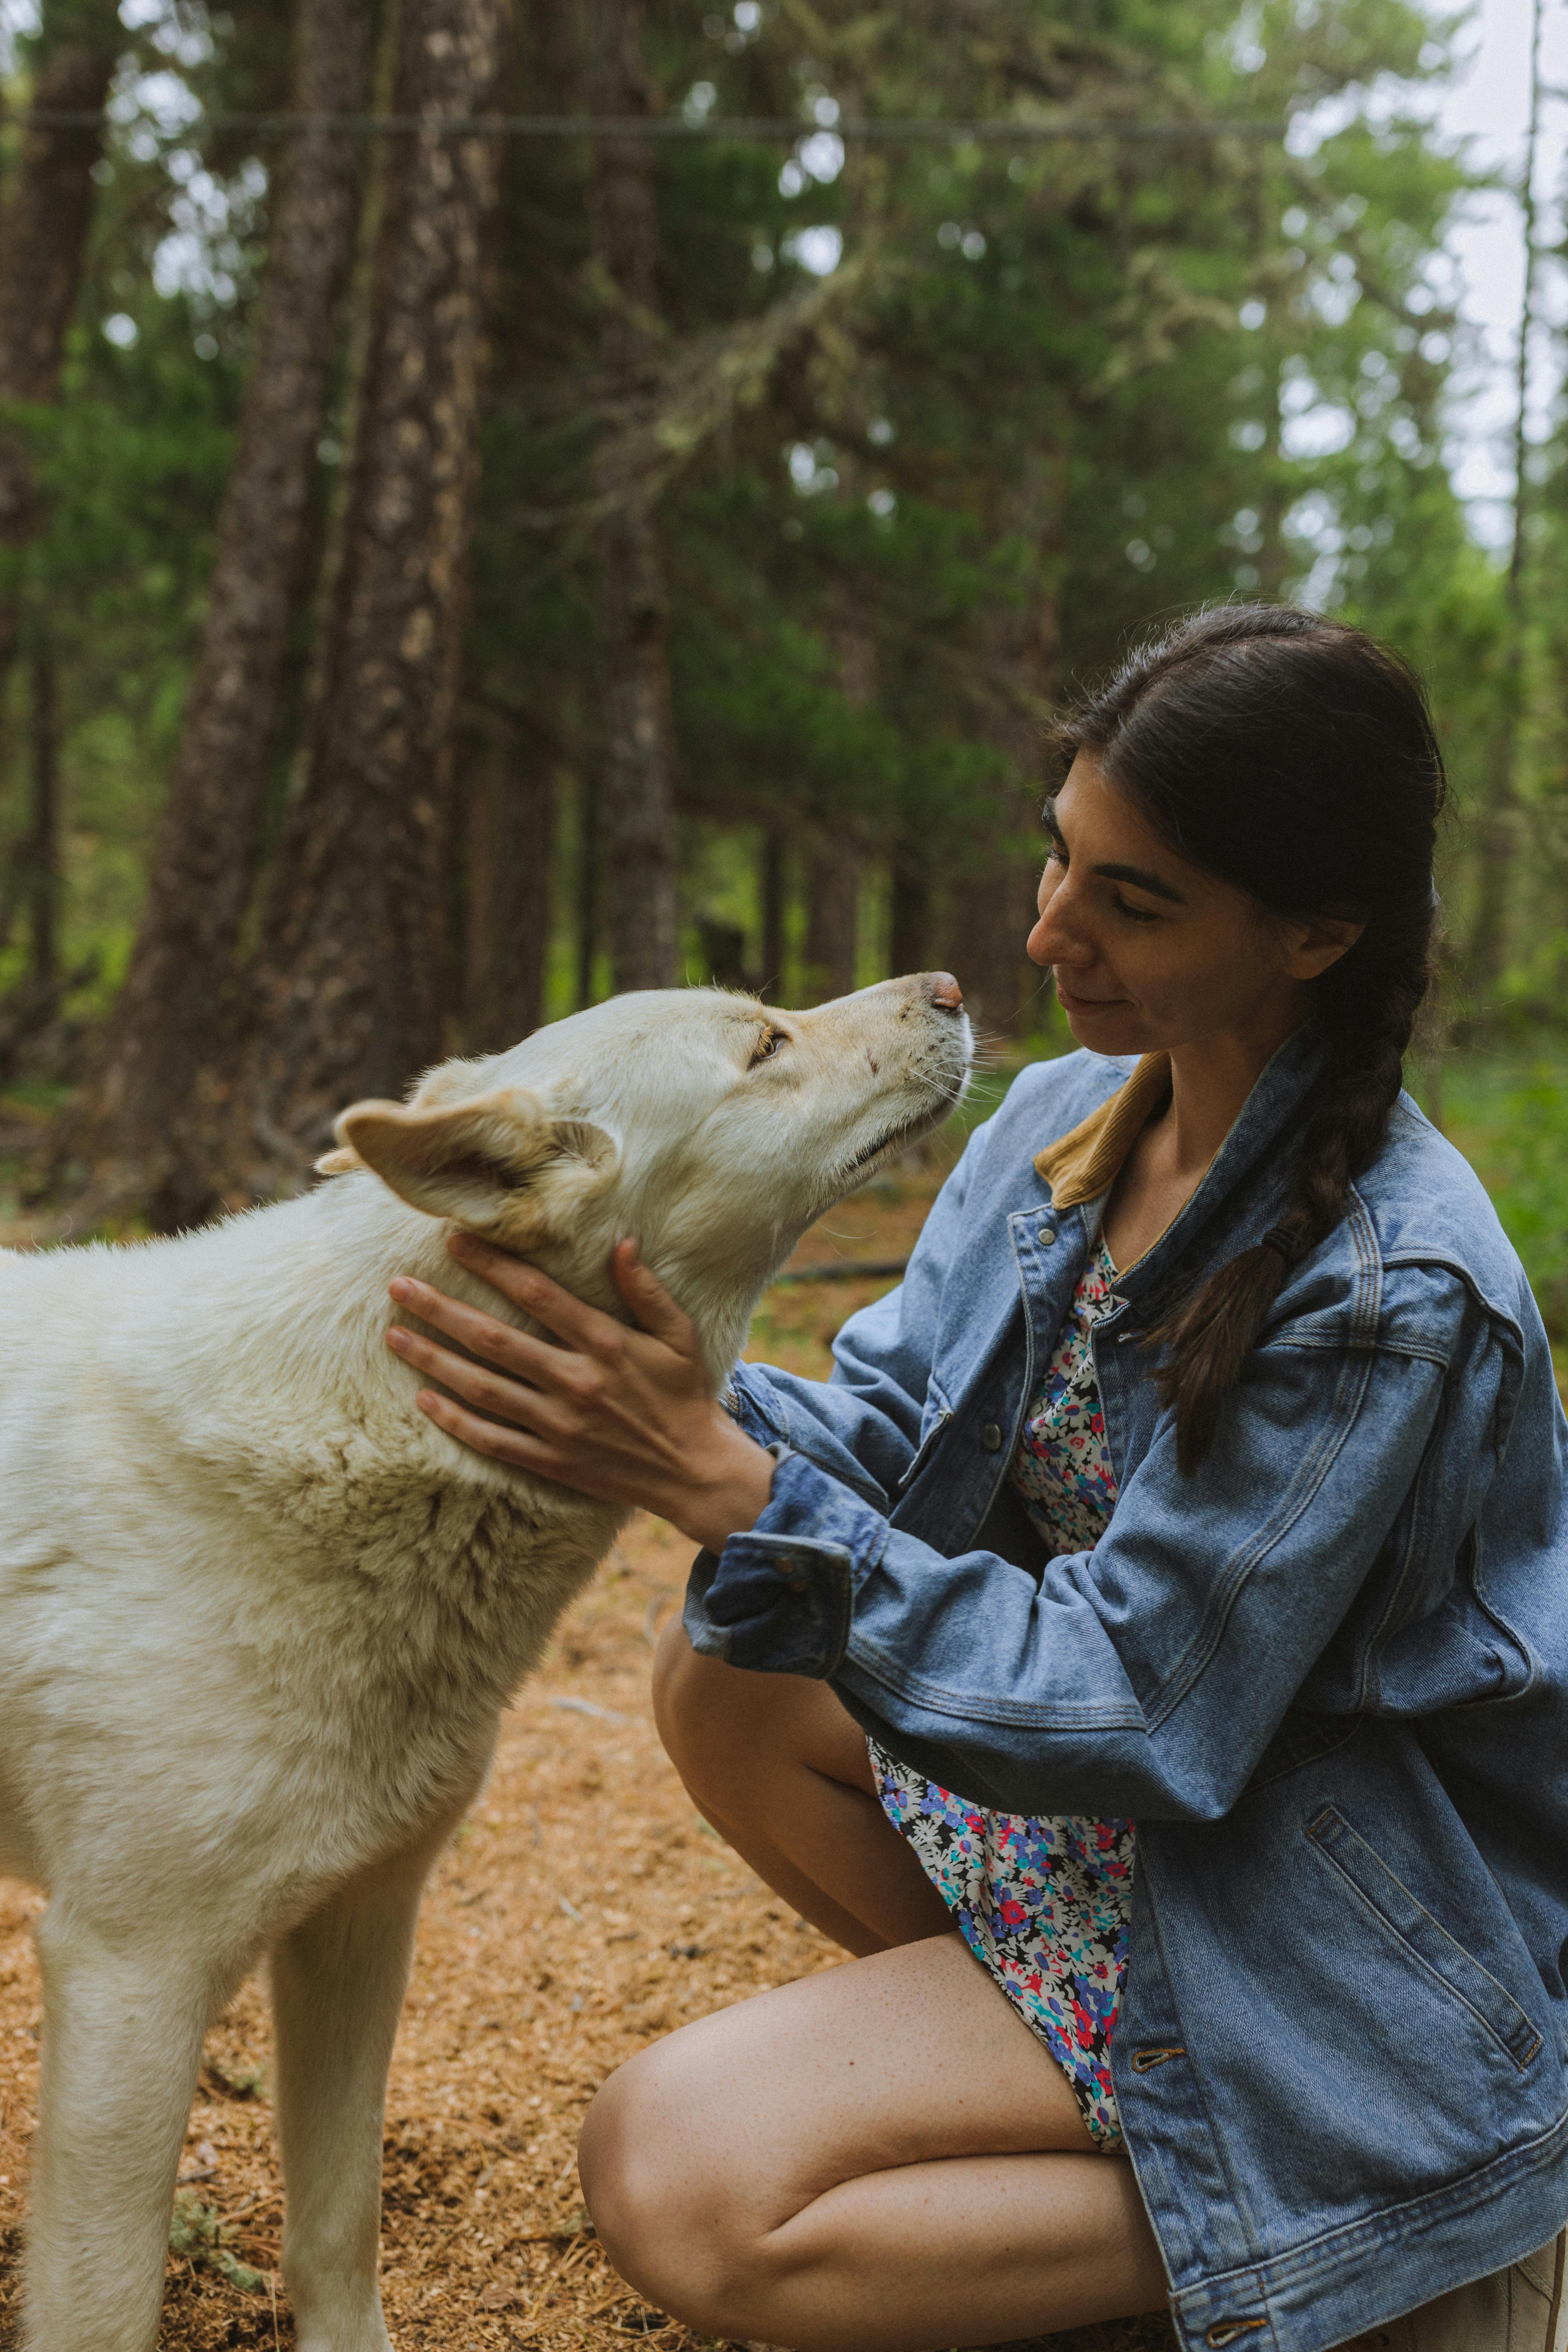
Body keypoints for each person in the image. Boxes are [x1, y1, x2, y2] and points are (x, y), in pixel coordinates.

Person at [384, 604, 1568, 2352]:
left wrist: (717, 1476)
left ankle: (1394, 2217)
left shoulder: (1391, 1292)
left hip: (1337, 1907)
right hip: (1166, 1823)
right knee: (732, 1665)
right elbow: (881, 1443)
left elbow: (1146, 1709)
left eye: (1132, 901)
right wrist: (652, 1389)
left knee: (679, 2178)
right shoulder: (1064, 1121)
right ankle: (1129, 2131)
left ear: (1316, 932)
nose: (1045, 932)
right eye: (1058, 857)